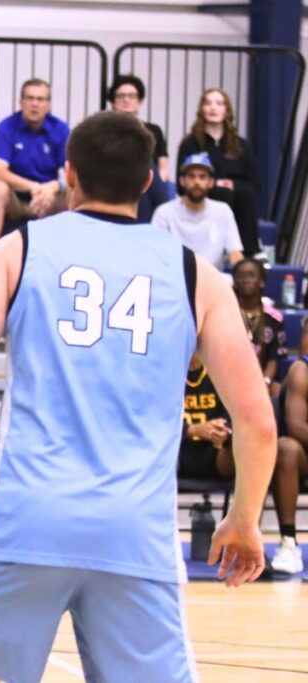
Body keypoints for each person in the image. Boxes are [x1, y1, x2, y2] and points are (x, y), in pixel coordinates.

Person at [0, 111, 276, 682]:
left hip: (26, 521)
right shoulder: (197, 276)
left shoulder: (16, 250)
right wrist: (244, 518)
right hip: (135, 532)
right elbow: (257, 421)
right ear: (148, 182)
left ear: (69, 173)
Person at [182, 355, 305, 574]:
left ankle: (247, 540)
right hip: (176, 452)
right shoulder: (168, 371)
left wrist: (224, 431)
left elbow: (239, 416)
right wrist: (192, 430)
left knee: (251, 451)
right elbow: (150, 420)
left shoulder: (220, 372)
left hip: (216, 452)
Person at [0, 78, 70, 251]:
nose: (34, 104)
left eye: (40, 99)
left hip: (47, 197)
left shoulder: (60, 129)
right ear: (21, 102)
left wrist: (53, 187)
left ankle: (68, 258)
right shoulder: (7, 126)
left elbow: (71, 171)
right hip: (15, 195)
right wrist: (34, 186)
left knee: (72, 192)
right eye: (30, 98)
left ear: (48, 105)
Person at [177, 88, 260, 256]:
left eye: (219, 103)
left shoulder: (240, 144)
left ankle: (249, 252)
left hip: (238, 196)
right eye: (208, 103)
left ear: (226, 110)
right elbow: (182, 183)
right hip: (203, 194)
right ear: (202, 109)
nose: (213, 108)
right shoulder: (190, 143)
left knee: (244, 192)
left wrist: (234, 184)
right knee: (223, 194)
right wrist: (213, 183)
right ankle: (221, 248)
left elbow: (255, 182)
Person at [152, 153, 244, 271]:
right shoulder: (164, 212)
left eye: (202, 177)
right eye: (191, 176)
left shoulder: (223, 211)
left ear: (211, 182)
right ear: (182, 181)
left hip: (213, 280)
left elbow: (235, 254)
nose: (196, 182)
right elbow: (156, 255)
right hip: (175, 280)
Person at [107, 74, 171, 221]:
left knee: (146, 173)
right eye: (121, 96)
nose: (126, 100)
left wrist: (157, 179)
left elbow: (164, 167)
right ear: (113, 101)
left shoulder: (154, 130)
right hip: (117, 178)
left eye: (131, 96)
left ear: (140, 100)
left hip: (149, 179)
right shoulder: (106, 129)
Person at [273, 358, 308, 574]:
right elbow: (296, 426)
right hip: (304, 455)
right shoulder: (302, 370)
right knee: (286, 449)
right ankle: (288, 541)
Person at [232, 258, 285, 395]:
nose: (246, 280)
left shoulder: (274, 318)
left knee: (278, 391)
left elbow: (273, 360)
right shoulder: (226, 313)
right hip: (230, 378)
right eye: (241, 275)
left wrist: (265, 381)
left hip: (262, 379)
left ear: (262, 281)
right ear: (235, 283)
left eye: (251, 275)